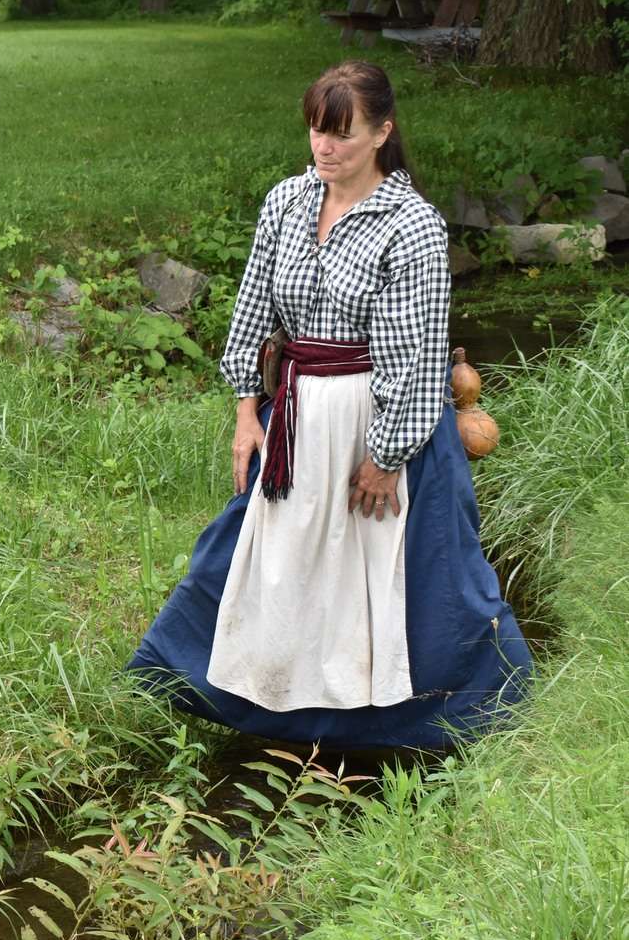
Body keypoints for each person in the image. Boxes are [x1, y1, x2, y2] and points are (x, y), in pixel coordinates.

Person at [129, 59, 533, 750]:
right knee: (260, 559)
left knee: (413, 576)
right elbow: (254, 309)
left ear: (382, 133)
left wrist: (385, 458)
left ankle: (456, 720)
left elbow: (412, 353)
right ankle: (252, 706)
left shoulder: (412, 225)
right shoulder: (287, 200)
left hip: (383, 423)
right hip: (294, 420)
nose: (324, 147)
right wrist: (244, 411)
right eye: (317, 130)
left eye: (342, 134)